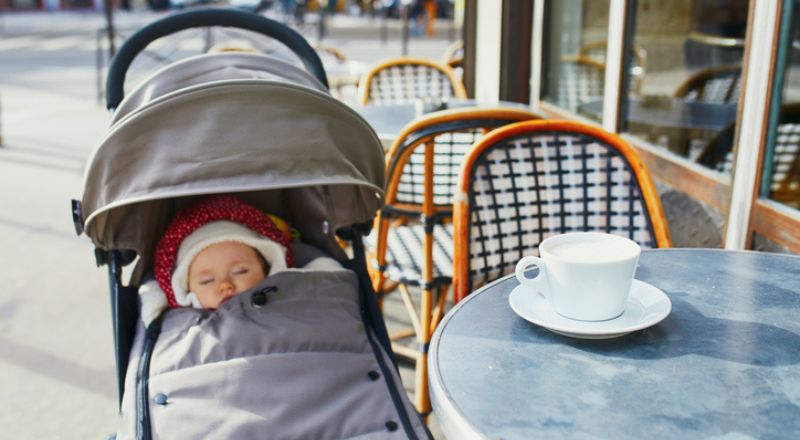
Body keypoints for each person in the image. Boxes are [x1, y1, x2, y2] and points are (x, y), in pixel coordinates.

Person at [139, 194, 337, 323]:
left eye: (240, 271)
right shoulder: (183, 323)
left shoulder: (289, 295)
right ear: (186, 290)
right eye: (207, 280)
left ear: (268, 270)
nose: (225, 286)